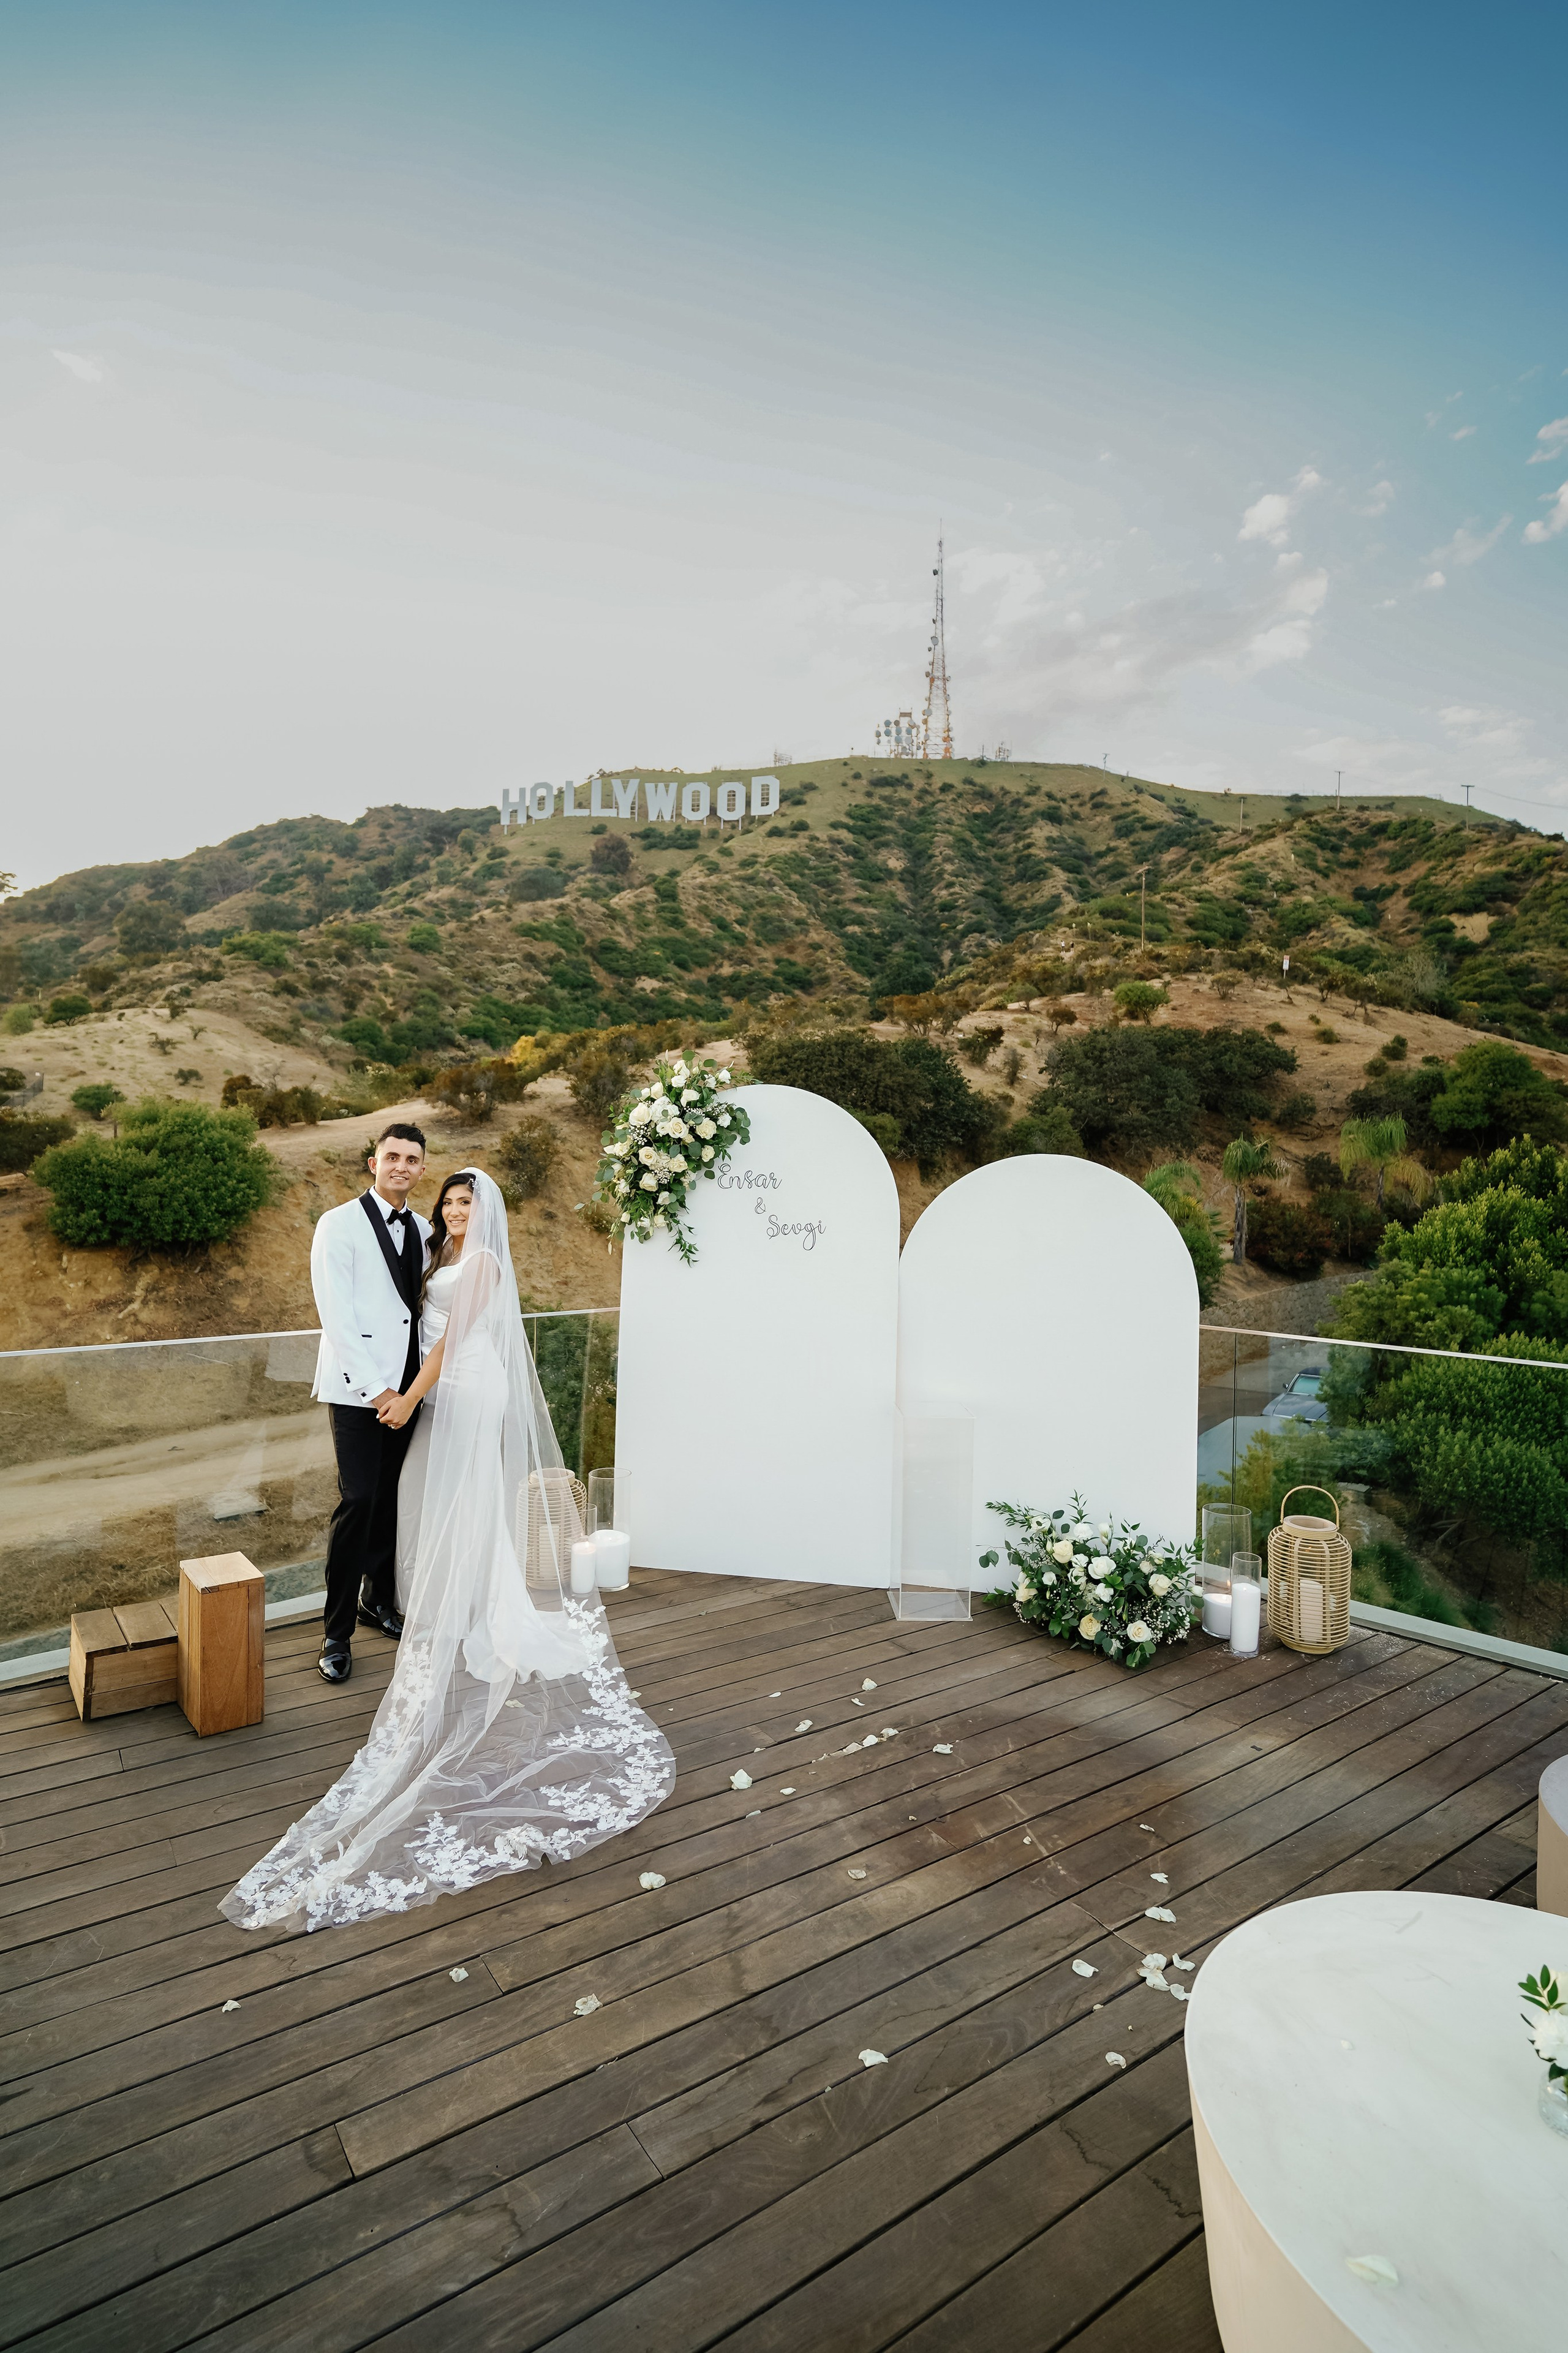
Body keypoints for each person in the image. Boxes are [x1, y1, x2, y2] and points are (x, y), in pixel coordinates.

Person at [222, 1168, 674, 1934]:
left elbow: (452, 1341)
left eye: (466, 1203)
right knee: (433, 1501)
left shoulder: (485, 1263)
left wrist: (407, 1396)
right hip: (440, 1389)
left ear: (486, 1211)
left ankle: (477, 1607)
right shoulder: (434, 1250)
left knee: (459, 1499)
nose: (455, 1211)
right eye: (450, 1202)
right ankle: (444, 1598)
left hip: (463, 1386)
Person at [308, 1123, 433, 1684]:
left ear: (422, 1169)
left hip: (409, 1393)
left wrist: (410, 1394)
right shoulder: (337, 1225)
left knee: (389, 1500)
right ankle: (336, 1633)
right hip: (361, 1390)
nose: (401, 1165)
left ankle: (378, 1600)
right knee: (357, 1499)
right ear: (372, 1162)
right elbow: (336, 1317)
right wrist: (378, 1391)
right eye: (392, 1156)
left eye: (412, 1159)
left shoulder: (427, 1230)